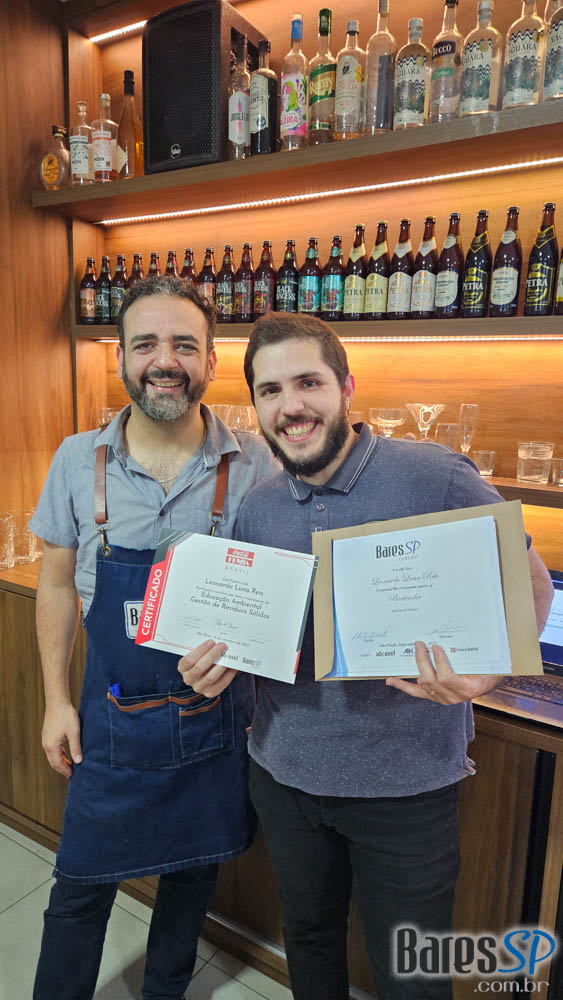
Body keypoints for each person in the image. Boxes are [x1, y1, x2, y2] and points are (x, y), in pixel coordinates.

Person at [178, 313, 554, 1000]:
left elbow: (529, 581)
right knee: (309, 939)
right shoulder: (258, 506)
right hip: (285, 775)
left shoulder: (434, 475)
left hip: (407, 785)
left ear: (346, 386)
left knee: (410, 972)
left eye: (308, 382)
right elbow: (255, 632)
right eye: (269, 391)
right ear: (255, 404)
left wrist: (487, 675)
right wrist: (212, 668)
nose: (290, 406)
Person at [30, 277, 277, 1000]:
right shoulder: (77, 459)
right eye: (146, 344)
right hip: (107, 721)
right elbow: (56, 585)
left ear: (211, 360)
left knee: (192, 879)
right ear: (120, 358)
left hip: (215, 723)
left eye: (184, 345)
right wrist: (54, 701)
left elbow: (282, 590)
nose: (164, 361)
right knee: (78, 888)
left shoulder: (258, 464)